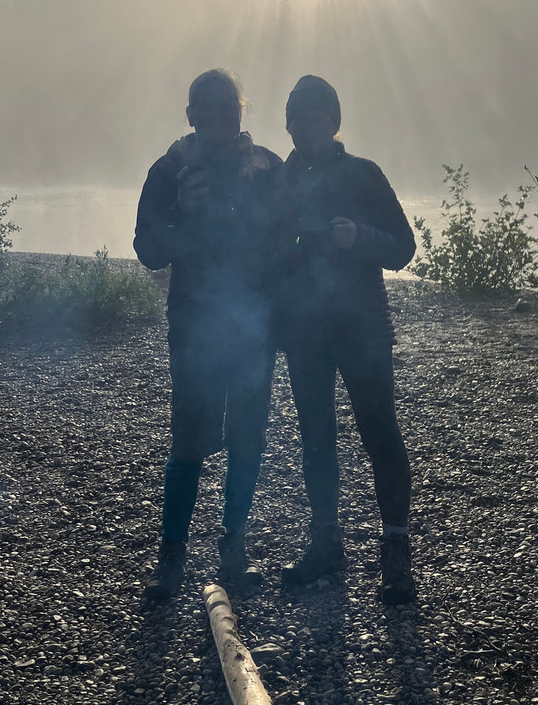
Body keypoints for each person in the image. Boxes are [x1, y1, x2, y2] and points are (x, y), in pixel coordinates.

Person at [133, 69, 283, 600]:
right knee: (188, 440)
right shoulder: (170, 171)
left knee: (247, 436)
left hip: (253, 326)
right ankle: (171, 555)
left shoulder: (266, 167)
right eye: (209, 107)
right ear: (191, 115)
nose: (220, 116)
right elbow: (149, 250)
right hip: (195, 324)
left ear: (241, 110)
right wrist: (184, 213)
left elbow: (289, 243)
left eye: (229, 106)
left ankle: (233, 547)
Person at [274, 75, 418, 604]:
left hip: (363, 330)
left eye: (318, 114)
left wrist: (359, 237)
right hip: (305, 332)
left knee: (380, 434)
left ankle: (396, 552)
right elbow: (263, 250)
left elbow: (403, 247)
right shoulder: (280, 180)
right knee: (315, 437)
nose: (307, 124)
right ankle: (326, 543)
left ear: (334, 122)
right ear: (288, 126)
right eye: (298, 116)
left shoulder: (363, 174)